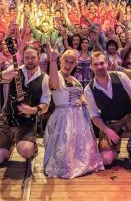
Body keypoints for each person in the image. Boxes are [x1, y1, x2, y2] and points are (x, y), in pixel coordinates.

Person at [83, 51, 131, 167]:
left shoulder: (120, 76)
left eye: (102, 63)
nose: (99, 67)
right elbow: (94, 116)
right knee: (106, 160)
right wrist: (107, 131)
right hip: (109, 123)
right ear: (91, 67)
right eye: (95, 64)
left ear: (107, 64)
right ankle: (115, 148)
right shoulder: (88, 89)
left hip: (128, 117)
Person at [44, 47, 104, 178]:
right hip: (63, 117)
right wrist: (52, 60)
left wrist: (83, 102)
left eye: (72, 62)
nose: (68, 65)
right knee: (65, 150)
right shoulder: (56, 76)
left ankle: (83, 164)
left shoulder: (74, 79)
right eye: (66, 61)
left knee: (80, 149)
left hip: (79, 118)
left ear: (75, 64)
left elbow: (80, 95)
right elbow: (53, 84)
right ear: (61, 60)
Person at [0, 45, 51, 165]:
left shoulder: (45, 79)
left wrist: (33, 110)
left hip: (26, 123)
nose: (30, 60)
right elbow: (2, 76)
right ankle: (9, 143)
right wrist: (6, 75)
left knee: (26, 151)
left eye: (33, 57)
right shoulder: (16, 70)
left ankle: (32, 147)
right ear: (22, 58)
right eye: (27, 57)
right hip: (7, 118)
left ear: (39, 57)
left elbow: (45, 105)